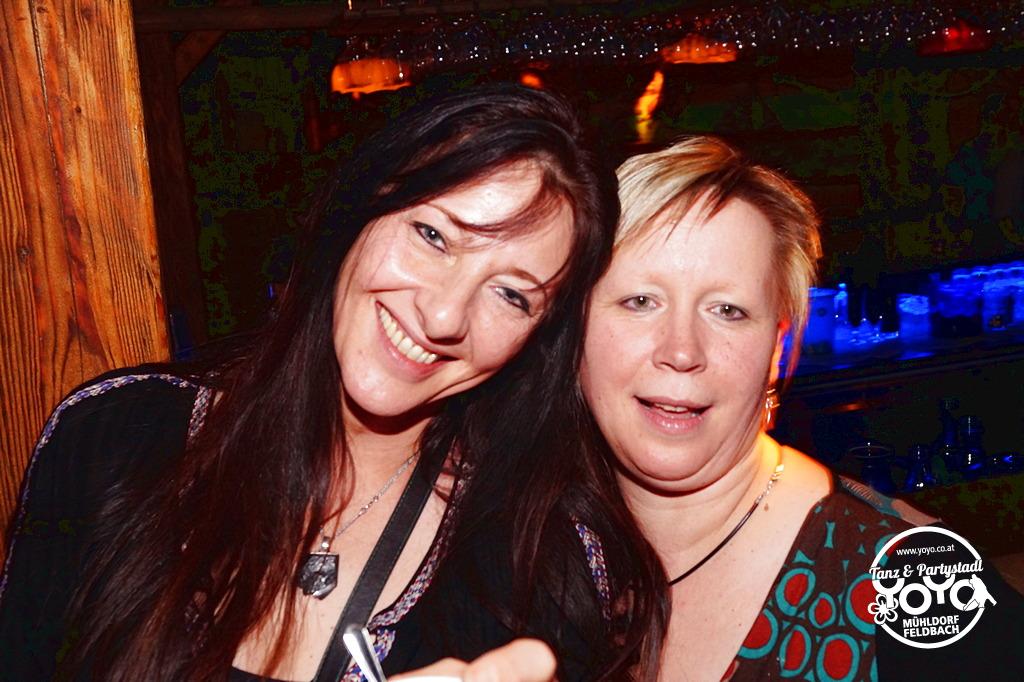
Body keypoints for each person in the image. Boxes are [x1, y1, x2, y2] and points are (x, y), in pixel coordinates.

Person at [0, 84, 659, 681]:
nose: (442, 316)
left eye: (512, 294)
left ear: (538, 337)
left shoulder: (542, 569)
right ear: (360, 208)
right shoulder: (114, 438)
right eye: (433, 235)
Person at [574, 136, 1024, 679]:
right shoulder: (533, 547)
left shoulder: (918, 578)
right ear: (574, 328)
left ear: (777, 350)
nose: (682, 351)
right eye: (640, 301)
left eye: (727, 310)